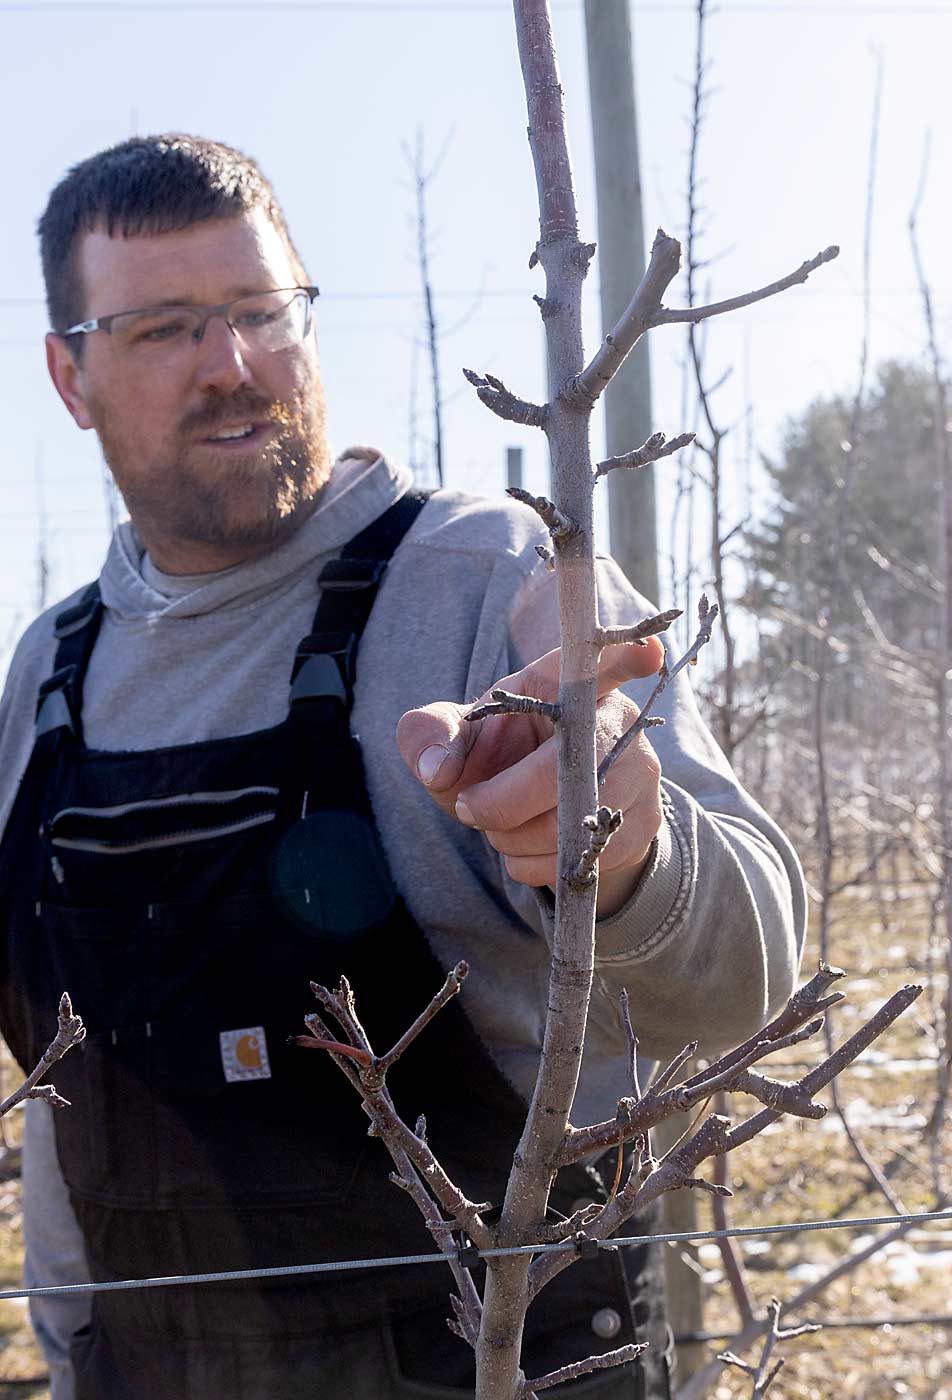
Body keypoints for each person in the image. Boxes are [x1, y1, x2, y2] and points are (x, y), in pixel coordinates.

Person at [0, 135, 806, 1400]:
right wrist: (70, 1356)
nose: (235, 365)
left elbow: (751, 971)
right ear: (70, 373)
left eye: (263, 311)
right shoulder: (48, 673)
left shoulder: (493, 581)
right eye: (163, 329)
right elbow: (65, 1098)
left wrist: (634, 854)